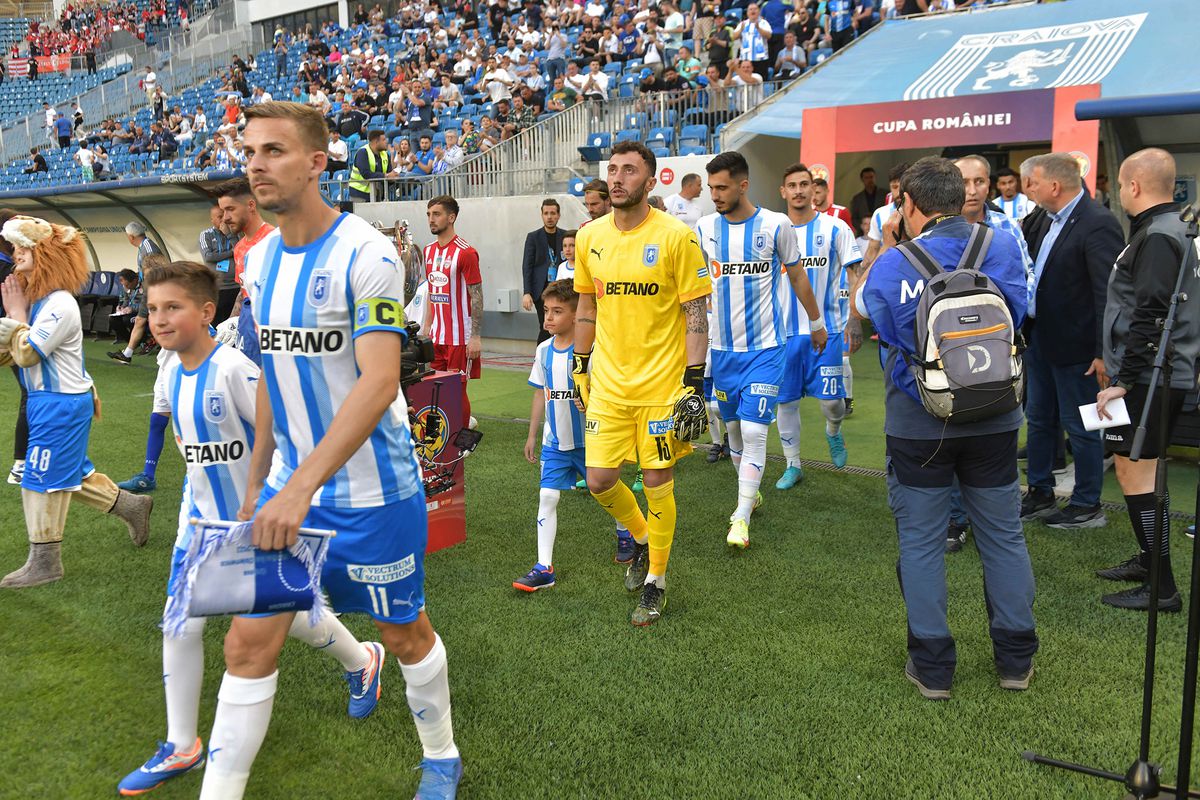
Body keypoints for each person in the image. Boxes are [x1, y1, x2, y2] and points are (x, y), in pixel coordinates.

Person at [198, 101, 462, 799]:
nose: (256, 164)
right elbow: (275, 383)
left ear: (317, 162)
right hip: (291, 487)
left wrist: (298, 487)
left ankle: (441, 754)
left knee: (404, 636)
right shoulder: (256, 263)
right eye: (250, 151)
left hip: (373, 495)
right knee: (247, 644)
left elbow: (379, 383)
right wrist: (261, 483)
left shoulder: (367, 253)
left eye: (274, 151)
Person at [117, 260, 388, 796]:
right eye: (152, 310)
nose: (160, 320)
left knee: (297, 618)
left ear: (207, 311)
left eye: (173, 307)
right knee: (180, 625)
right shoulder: (168, 369)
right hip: (197, 526)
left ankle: (363, 660)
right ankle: (181, 745)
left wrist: (266, 498)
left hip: (252, 525)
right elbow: (186, 444)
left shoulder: (236, 371)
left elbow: (281, 435)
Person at [853, 156, 1037, 699]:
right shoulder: (999, 245)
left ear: (908, 205)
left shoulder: (894, 261)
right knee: (1003, 536)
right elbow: (1020, 315)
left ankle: (933, 668)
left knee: (922, 543)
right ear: (961, 198)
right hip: (997, 413)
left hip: (919, 422)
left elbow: (869, 312)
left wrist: (887, 244)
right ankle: (1015, 661)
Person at [572, 141, 712, 625]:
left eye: (629, 171)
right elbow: (587, 306)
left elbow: (696, 313)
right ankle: (641, 538)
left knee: (656, 480)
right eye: (612, 169)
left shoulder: (677, 237)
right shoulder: (589, 237)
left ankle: (656, 579)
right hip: (609, 383)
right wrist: (580, 360)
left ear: (650, 182)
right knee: (599, 481)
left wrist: (693, 381)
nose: (617, 178)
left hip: (661, 387)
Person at [0, 216, 153, 589]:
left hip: (61, 403)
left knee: (37, 480)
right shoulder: (37, 301)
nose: (16, 254)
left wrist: (15, 318)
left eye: (24, 248)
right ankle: (132, 506)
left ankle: (45, 562)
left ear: (48, 255)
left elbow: (28, 353)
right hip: (45, 401)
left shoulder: (60, 304)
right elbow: (10, 352)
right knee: (67, 476)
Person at [696, 152, 821, 548]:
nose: (714, 194)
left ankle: (740, 517)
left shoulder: (775, 224)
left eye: (722, 187)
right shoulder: (703, 229)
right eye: (711, 187)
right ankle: (749, 495)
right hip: (722, 351)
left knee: (752, 431)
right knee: (731, 425)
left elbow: (798, 276)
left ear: (743, 185)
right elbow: (696, 290)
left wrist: (816, 323)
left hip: (766, 348)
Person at [1094, 149, 1197, 611]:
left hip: (1152, 377)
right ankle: (1149, 562)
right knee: (1142, 469)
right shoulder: (1175, 230)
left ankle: (1162, 587)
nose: (1119, 192)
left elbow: (1152, 314)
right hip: (1158, 372)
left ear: (1133, 185)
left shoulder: (1157, 236)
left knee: (1134, 471)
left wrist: (1124, 378)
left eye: (1119, 184)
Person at [1018, 152, 1124, 529]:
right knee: (1040, 420)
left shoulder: (1097, 223)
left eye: (1031, 183)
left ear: (1054, 185)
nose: (1026, 190)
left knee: (1082, 425)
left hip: (1079, 348)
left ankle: (1087, 503)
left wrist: (1102, 352)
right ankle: (1040, 492)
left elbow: (1108, 294)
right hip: (1041, 339)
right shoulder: (1041, 219)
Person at [515, 279, 632, 588]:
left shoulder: (592, 350)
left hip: (592, 440)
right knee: (547, 497)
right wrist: (531, 435)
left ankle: (626, 534)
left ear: (576, 313)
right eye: (546, 311)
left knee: (608, 491)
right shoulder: (542, 351)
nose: (548, 318)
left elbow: (609, 391)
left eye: (557, 311)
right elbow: (540, 393)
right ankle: (544, 567)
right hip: (555, 442)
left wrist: (591, 401)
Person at [773, 162, 860, 490]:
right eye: (791, 185)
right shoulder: (773, 231)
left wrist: (854, 318)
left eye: (803, 185)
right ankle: (793, 464)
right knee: (786, 401)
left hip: (828, 330)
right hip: (783, 334)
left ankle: (834, 432)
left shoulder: (836, 229)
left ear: (814, 190)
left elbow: (854, 274)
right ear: (783, 191)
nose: (798, 190)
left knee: (832, 404)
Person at [422, 195, 483, 430]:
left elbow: (477, 296)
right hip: (436, 336)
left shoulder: (466, 253)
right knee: (433, 387)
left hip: (460, 337)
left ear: (452, 217)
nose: (431, 219)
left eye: (436, 214)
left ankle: (461, 438)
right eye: (428, 215)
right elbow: (431, 291)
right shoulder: (427, 251)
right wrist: (427, 328)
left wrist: (475, 336)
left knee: (457, 389)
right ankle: (441, 435)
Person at [217, 177, 274, 368]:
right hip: (249, 328)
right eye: (222, 211)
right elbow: (244, 292)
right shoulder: (240, 248)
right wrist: (234, 320)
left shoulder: (274, 241)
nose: (225, 218)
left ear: (251, 205)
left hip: (273, 330)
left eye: (230, 209)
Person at [107, 223, 162, 364]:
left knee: (159, 320)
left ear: (131, 237)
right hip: (148, 289)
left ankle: (168, 349)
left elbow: (159, 268)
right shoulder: (142, 247)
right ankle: (127, 354)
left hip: (155, 290)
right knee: (140, 320)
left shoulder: (149, 247)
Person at [522, 199, 566, 343]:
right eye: (546, 213)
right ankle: (540, 359)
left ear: (558, 215)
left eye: (553, 213)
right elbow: (527, 266)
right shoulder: (533, 237)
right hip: (540, 290)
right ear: (542, 215)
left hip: (560, 289)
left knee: (560, 326)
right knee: (546, 326)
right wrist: (527, 292)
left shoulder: (565, 236)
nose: (549, 217)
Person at [862, 162, 910, 269]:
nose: (898, 192)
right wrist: (863, 276)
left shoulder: (923, 211)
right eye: (894, 187)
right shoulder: (880, 214)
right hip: (888, 272)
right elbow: (872, 250)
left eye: (902, 187)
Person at [199, 204, 240, 323]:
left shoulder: (235, 233)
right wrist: (231, 252)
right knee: (217, 322)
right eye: (219, 217)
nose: (224, 219)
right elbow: (209, 256)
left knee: (233, 323)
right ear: (212, 219)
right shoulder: (206, 235)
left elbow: (240, 251)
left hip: (235, 286)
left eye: (225, 216)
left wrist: (229, 234)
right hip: (218, 287)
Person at [347, 129, 399, 203]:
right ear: (376, 142)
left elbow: (388, 173)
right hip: (359, 194)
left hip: (377, 195)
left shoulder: (385, 154)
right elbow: (366, 174)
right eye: (383, 140)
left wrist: (392, 177)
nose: (386, 142)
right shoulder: (362, 153)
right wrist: (386, 176)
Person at [731, 3, 772, 80]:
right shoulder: (743, 24)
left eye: (755, 9)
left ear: (759, 11)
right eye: (750, 9)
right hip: (745, 59)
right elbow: (734, 37)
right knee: (744, 81)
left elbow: (769, 36)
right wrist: (740, 30)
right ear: (747, 12)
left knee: (760, 80)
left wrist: (759, 28)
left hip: (760, 59)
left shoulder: (764, 23)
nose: (753, 11)